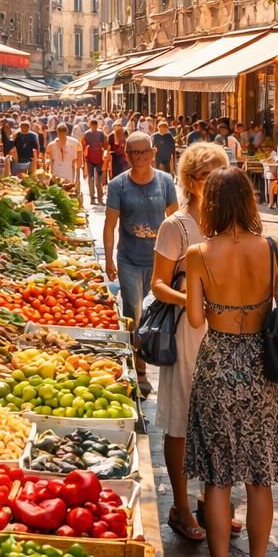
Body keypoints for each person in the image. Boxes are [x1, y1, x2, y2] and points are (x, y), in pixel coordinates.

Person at [182, 167, 278, 557]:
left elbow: (196, 319)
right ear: (249, 201)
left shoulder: (198, 253)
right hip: (259, 366)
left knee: (218, 478)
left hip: (217, 363)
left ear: (211, 204)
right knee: (259, 475)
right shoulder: (272, 247)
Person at [151, 142, 232, 542]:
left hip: (226, 332)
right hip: (188, 330)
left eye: (220, 175)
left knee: (218, 420)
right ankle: (181, 507)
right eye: (206, 176)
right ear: (190, 180)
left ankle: (210, 502)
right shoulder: (177, 226)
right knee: (181, 420)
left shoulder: (231, 223)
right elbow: (158, 285)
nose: (214, 183)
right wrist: (192, 300)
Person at [104, 131, 179, 396]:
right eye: (134, 152)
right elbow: (110, 224)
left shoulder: (165, 181)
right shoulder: (118, 185)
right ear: (126, 155)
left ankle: (163, 364)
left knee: (158, 314)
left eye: (144, 151)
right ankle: (140, 370)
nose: (139, 157)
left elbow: (175, 219)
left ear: (152, 153)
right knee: (133, 314)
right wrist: (109, 259)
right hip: (129, 260)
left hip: (160, 261)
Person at [46, 124, 83, 193]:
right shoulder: (51, 145)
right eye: (60, 133)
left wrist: (77, 177)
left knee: (68, 192)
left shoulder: (75, 143)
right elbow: (50, 161)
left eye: (62, 133)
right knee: (60, 193)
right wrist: (51, 174)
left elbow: (79, 161)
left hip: (68, 172)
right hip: (57, 172)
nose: (61, 135)